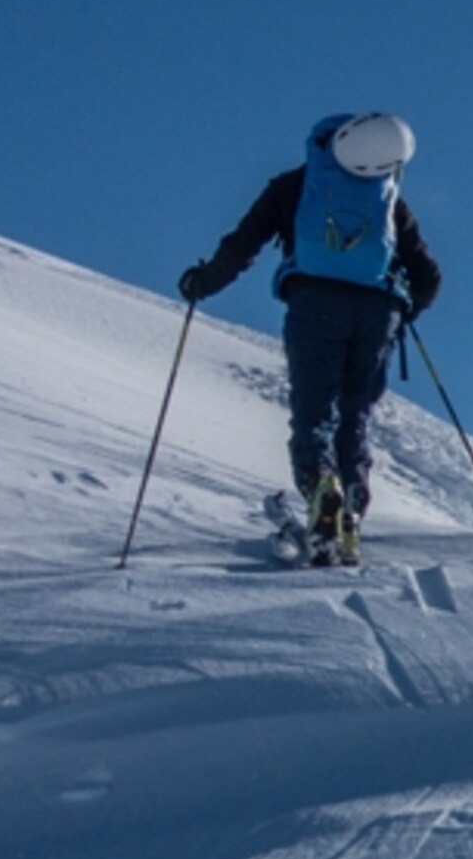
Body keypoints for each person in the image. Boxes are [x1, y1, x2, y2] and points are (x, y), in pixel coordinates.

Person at [180, 113, 441, 556]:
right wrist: (404, 309)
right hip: (378, 314)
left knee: (314, 414)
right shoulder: (386, 199)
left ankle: (322, 488)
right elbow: (428, 277)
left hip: (314, 305)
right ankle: (351, 510)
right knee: (356, 417)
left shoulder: (293, 186)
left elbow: (242, 245)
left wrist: (201, 283)